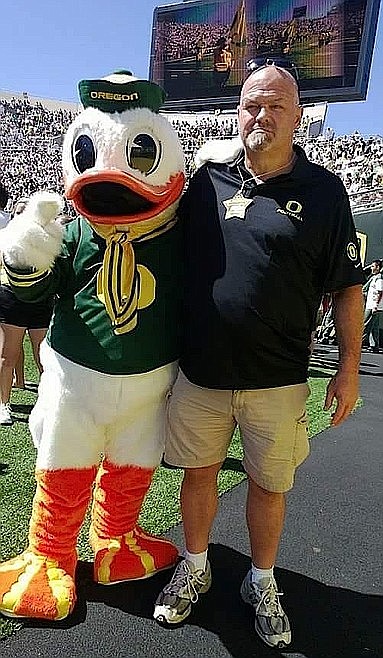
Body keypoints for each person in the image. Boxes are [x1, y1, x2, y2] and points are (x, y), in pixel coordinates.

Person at [153, 63, 364, 649]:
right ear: (235, 111)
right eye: (251, 105)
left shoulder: (324, 192)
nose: (261, 117)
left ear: (298, 118)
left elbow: (348, 286)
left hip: (278, 380)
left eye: (275, 107)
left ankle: (261, 580)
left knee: (270, 486)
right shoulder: (204, 181)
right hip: (201, 373)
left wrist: (348, 370)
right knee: (197, 476)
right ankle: (194, 565)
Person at [0, 196, 53, 425]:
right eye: (19, 212)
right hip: (11, 296)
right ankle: (3, 405)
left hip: (41, 298)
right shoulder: (6, 238)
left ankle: (50, 405)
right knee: (7, 355)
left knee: (45, 358)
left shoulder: (47, 238)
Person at [363, 259, 383, 353]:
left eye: (373, 266)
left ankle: (357, 343)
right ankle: (374, 345)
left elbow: (380, 292)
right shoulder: (375, 277)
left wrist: (375, 305)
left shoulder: (379, 278)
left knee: (365, 325)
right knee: (375, 327)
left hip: (373, 306)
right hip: (376, 306)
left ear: (378, 267)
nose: (371, 268)